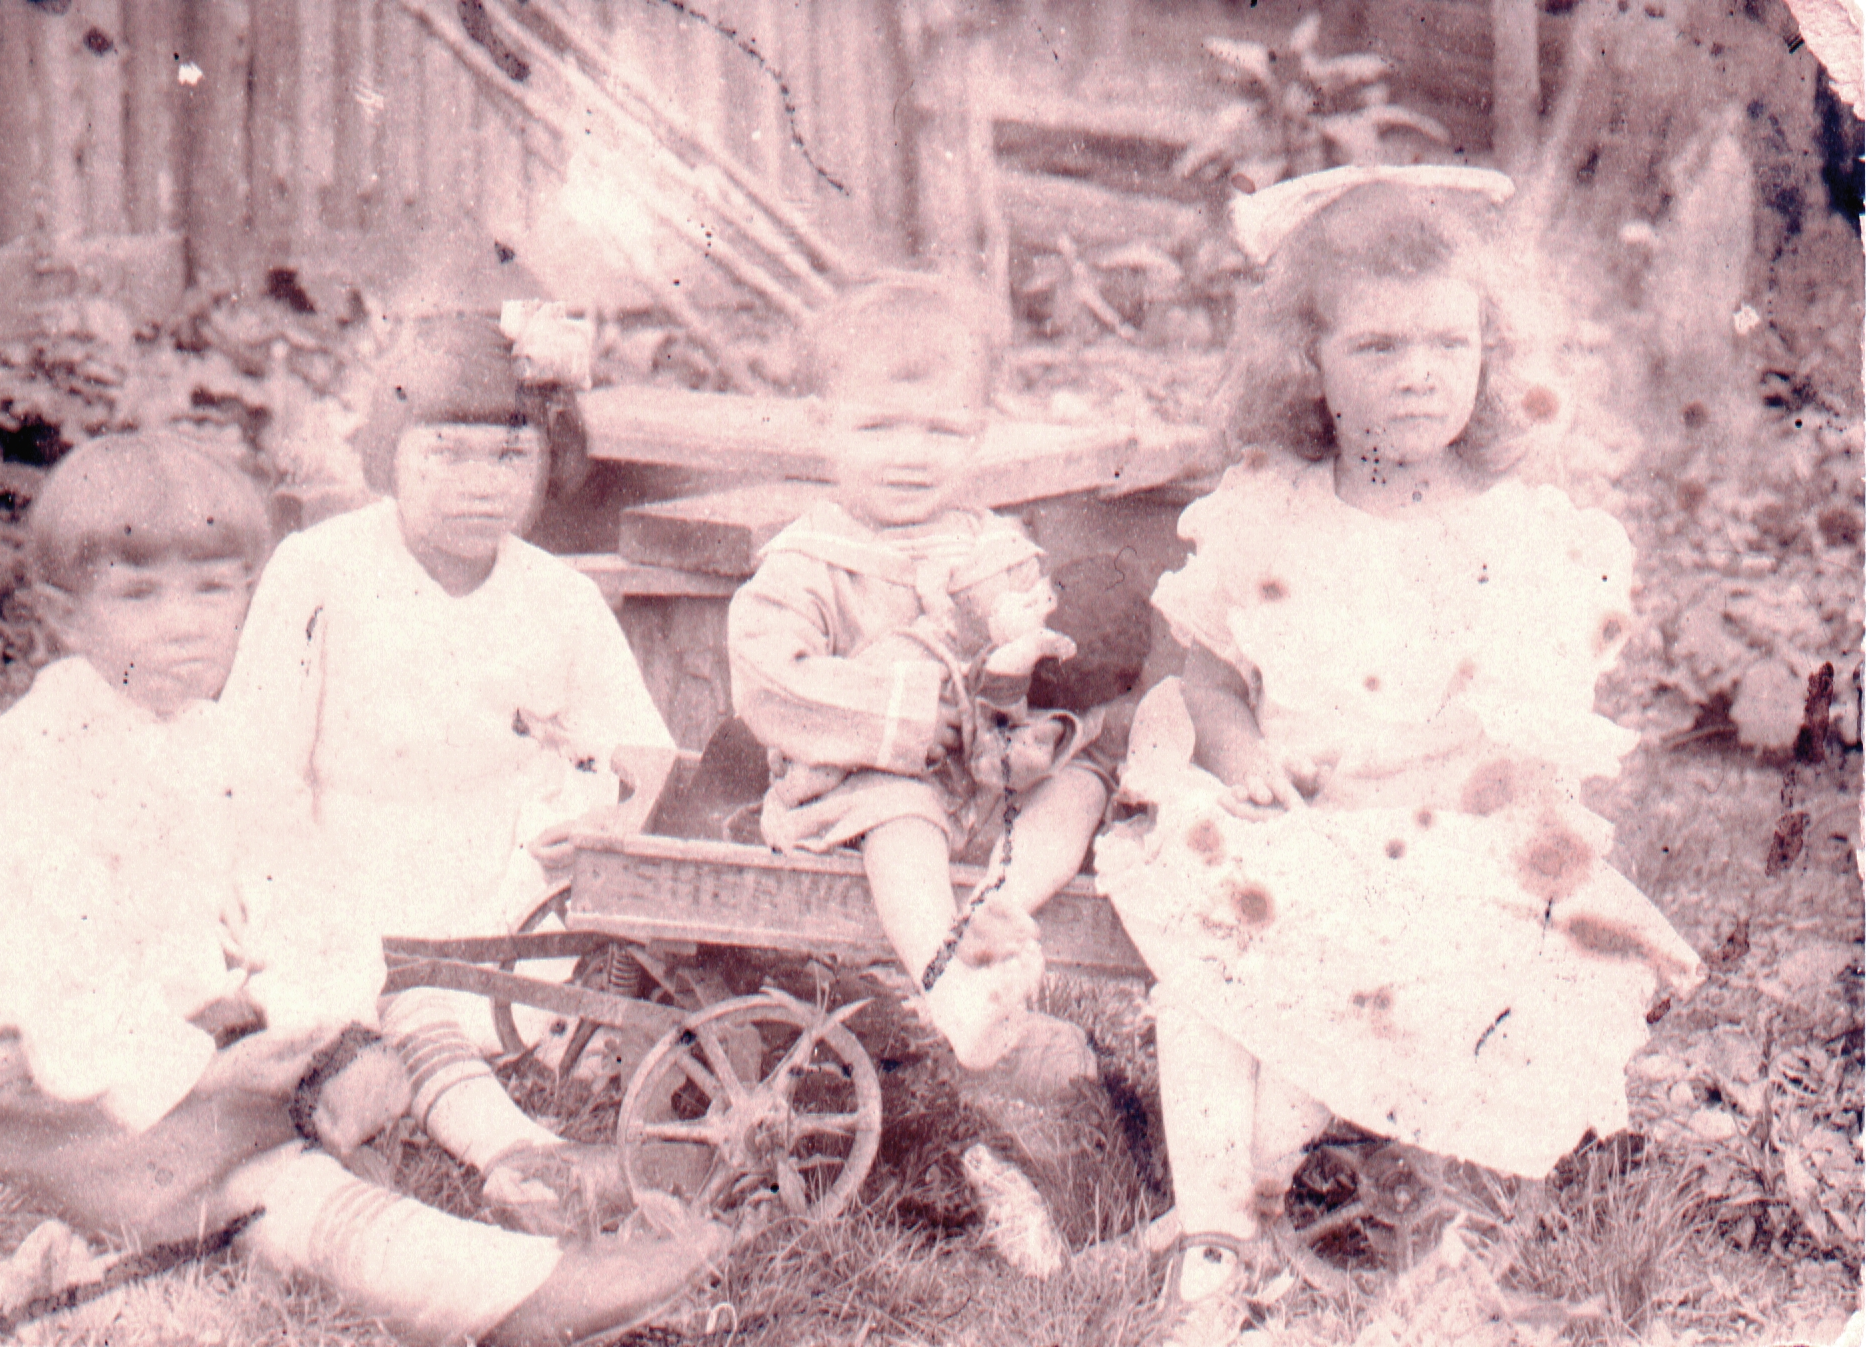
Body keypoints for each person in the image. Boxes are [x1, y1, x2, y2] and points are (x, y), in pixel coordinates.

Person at [0, 432, 718, 1347]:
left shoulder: (208, 740)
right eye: (138, 595)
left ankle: (516, 1158)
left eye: (212, 590)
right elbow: (61, 988)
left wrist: (310, 1014)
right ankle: (498, 1291)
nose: (183, 623)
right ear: (66, 617)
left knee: (400, 1004)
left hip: (190, 1022)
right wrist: (204, 1072)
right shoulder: (28, 771)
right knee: (263, 1173)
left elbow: (300, 887)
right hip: (64, 1086)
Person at [1091, 167, 1705, 1341]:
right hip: (1287, 825)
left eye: (1445, 344)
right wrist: (1234, 752)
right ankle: (1214, 1246)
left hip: (1446, 832)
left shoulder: (1516, 536)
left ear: (1489, 358)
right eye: (1375, 348)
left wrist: (1394, 791)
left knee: (1353, 942)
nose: (1417, 373)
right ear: (1304, 364)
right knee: (1206, 970)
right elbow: (1207, 676)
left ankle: (1262, 1189)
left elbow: (1525, 742)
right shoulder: (1270, 510)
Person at [219, 311, 698, 1230]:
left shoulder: (556, 597)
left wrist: (612, 820)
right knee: (357, 984)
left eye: (509, 459)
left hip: (497, 868)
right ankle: (509, 1148)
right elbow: (256, 765)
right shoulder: (319, 570)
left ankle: (510, 1082)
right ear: (389, 455)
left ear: (546, 468)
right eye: (445, 454)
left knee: (567, 960)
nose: (479, 487)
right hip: (344, 854)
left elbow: (642, 758)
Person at [726, 276, 1113, 1094]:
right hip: (856, 798)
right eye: (878, 428)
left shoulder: (996, 551)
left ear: (979, 437)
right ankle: (951, 982)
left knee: (1080, 788)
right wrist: (898, 715)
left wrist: (1033, 717)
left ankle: (998, 911)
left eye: (943, 430)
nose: (911, 454)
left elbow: (1031, 676)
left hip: (981, 793)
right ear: (821, 424)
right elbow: (770, 680)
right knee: (899, 807)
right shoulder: (809, 560)